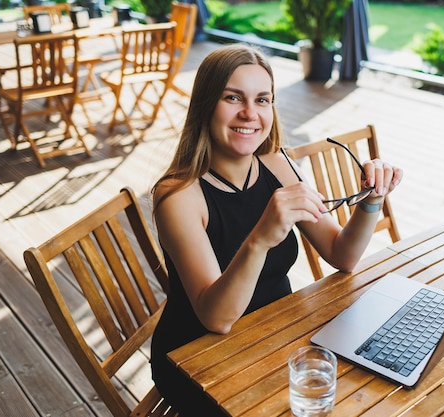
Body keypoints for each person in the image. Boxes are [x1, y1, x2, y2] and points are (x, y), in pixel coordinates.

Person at [150, 43, 403, 416]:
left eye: (263, 100)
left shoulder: (277, 164)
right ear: (206, 104)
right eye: (233, 98)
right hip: (197, 359)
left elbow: (342, 254)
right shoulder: (179, 196)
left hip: (275, 332)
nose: (250, 113)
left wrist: (372, 200)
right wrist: (260, 238)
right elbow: (215, 318)